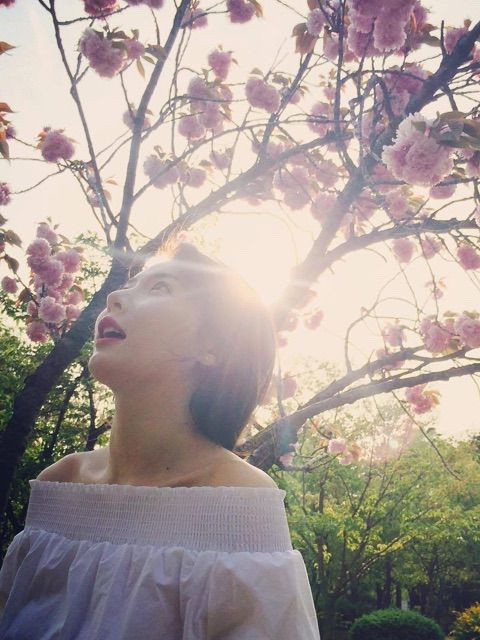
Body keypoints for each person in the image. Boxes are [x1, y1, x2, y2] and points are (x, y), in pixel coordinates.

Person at [0, 239, 321, 639]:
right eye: (129, 286)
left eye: (160, 287)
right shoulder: (59, 483)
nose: (114, 297)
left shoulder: (240, 508)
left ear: (212, 346)